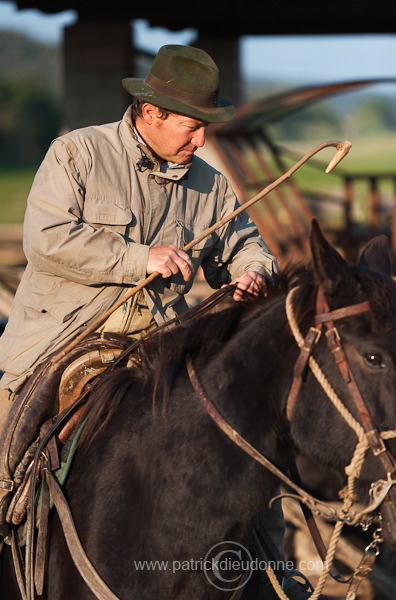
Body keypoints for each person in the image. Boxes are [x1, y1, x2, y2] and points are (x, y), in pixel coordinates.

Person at [0, 44, 277, 431]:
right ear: (151, 112)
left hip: (161, 347)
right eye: (192, 127)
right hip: (62, 340)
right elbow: (46, 240)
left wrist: (256, 272)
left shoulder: (212, 186)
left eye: (205, 129)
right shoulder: (76, 153)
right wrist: (140, 258)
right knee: (9, 461)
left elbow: (247, 246)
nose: (200, 142)